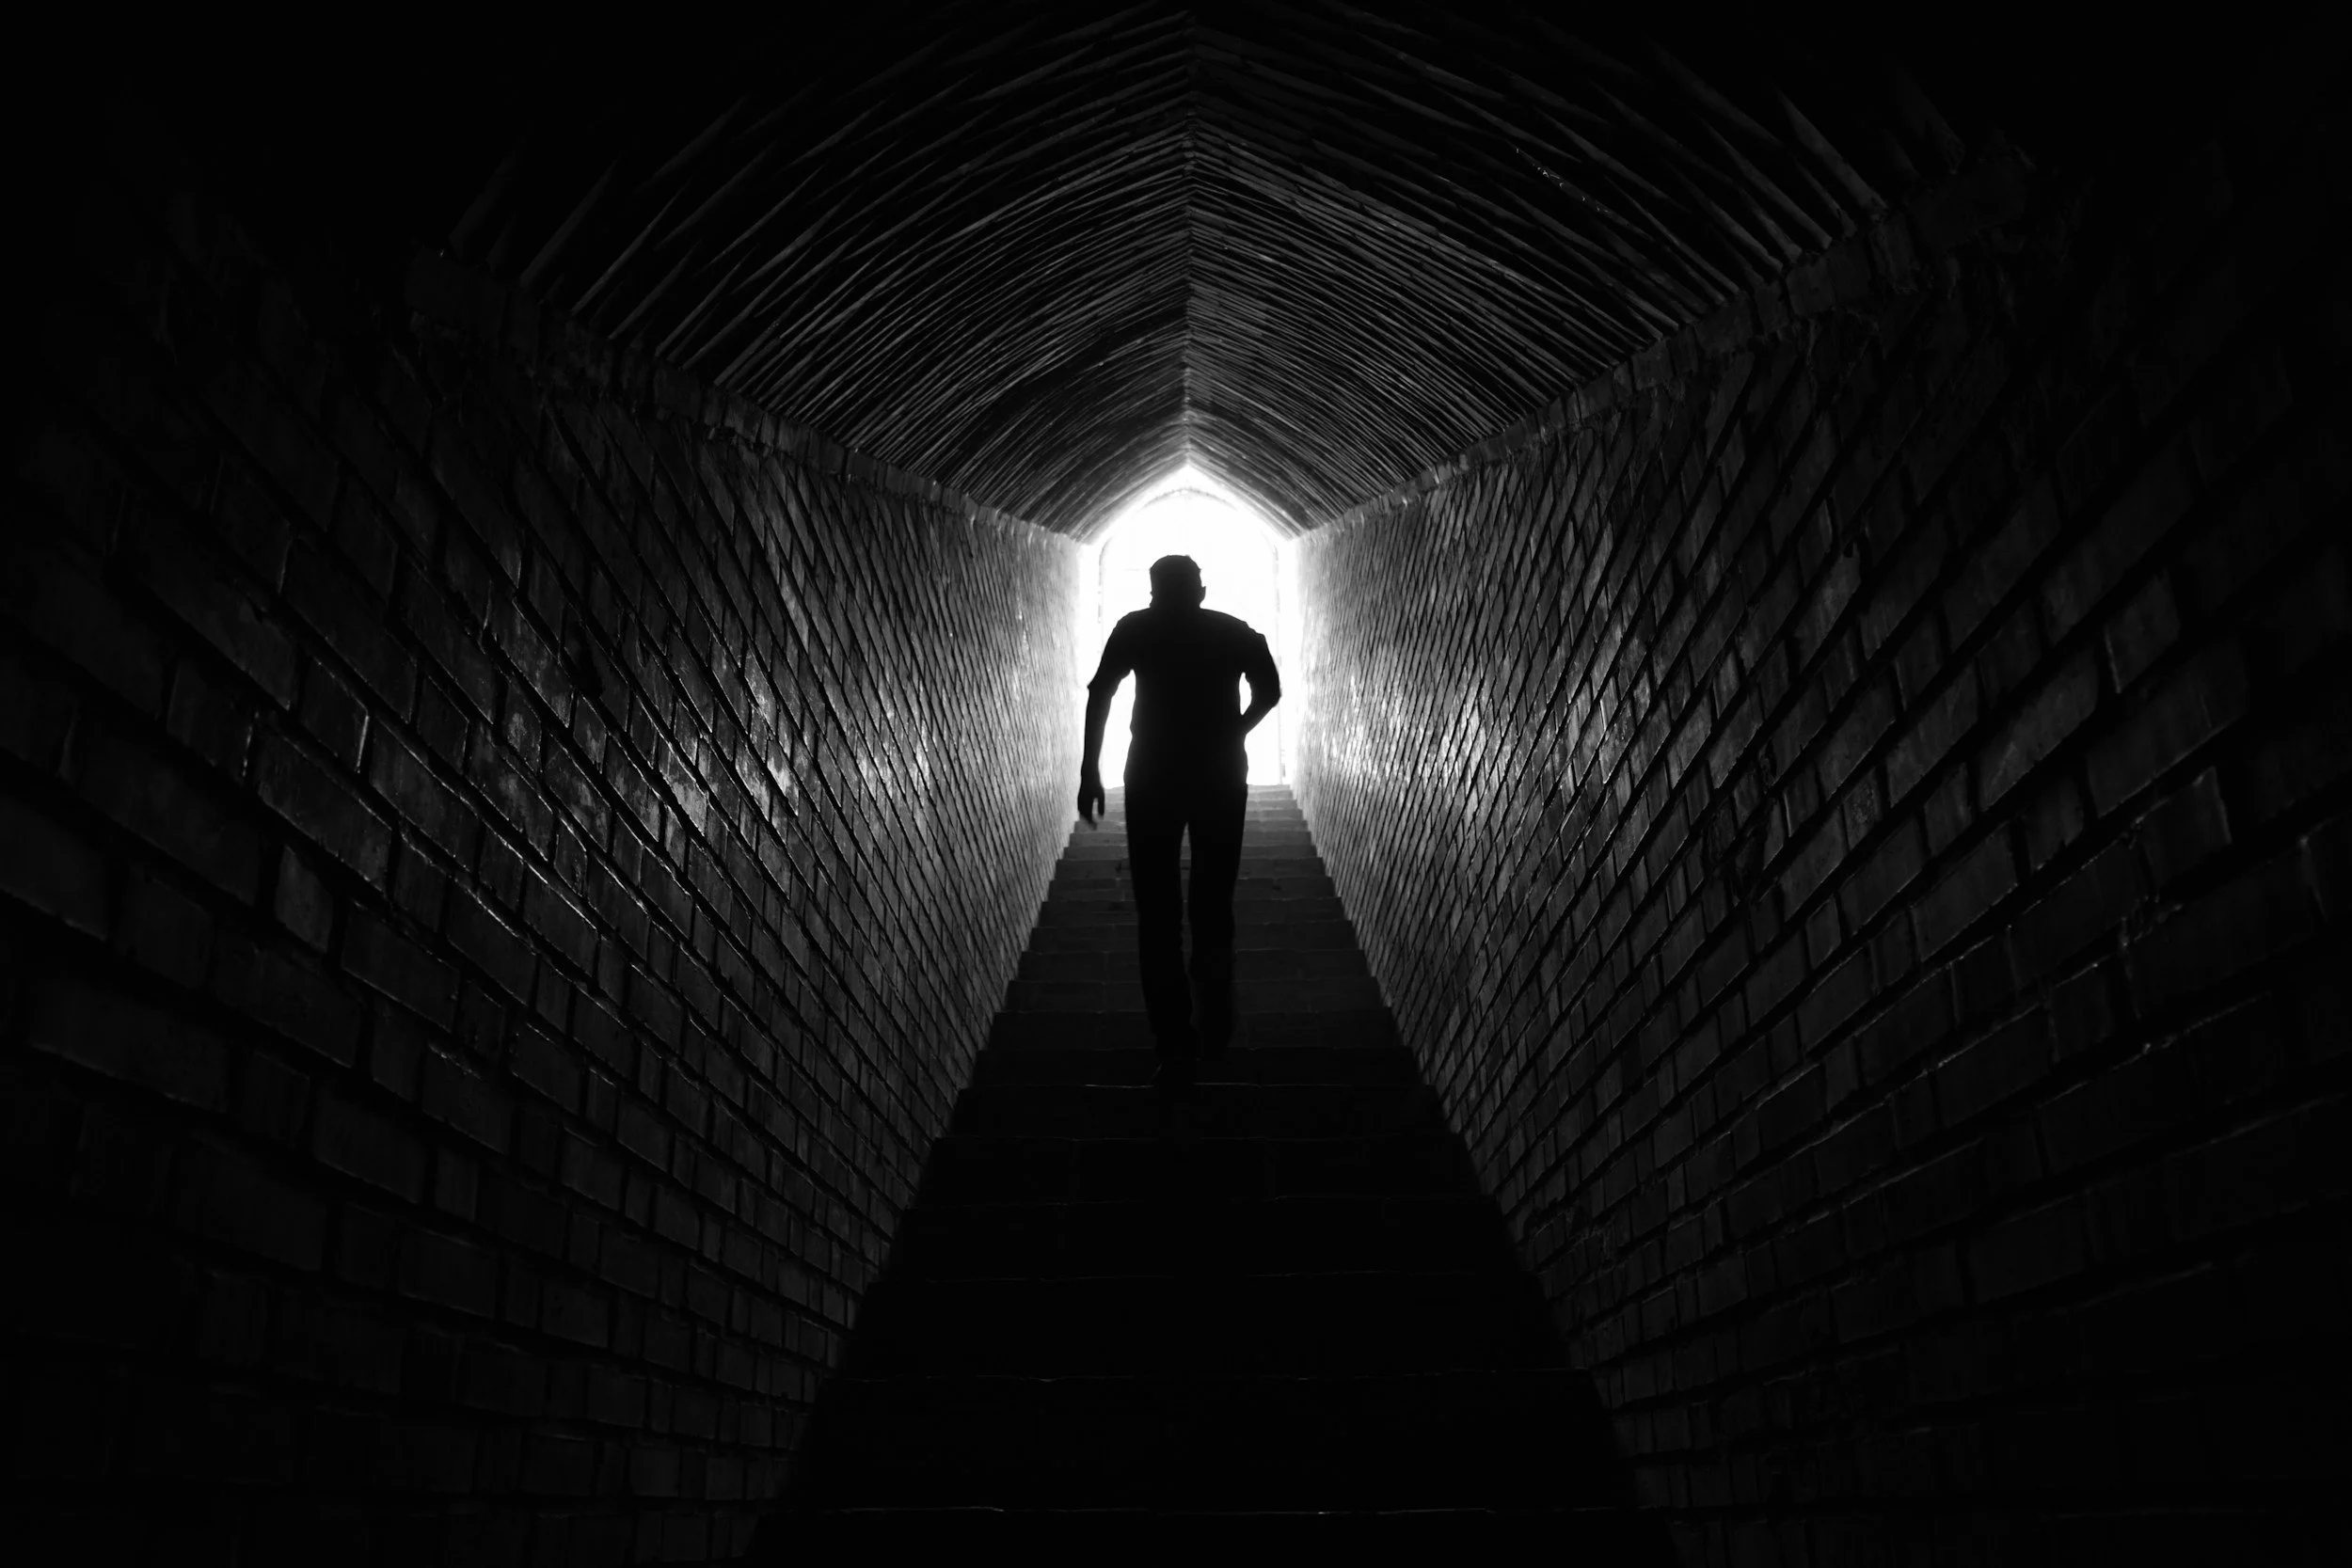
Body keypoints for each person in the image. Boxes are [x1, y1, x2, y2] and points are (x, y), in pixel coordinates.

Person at [1078, 555, 1281, 1088]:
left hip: (1152, 775)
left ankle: (1175, 1045)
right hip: (1219, 775)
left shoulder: (1136, 628)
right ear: (1201, 590)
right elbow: (1270, 690)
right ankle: (1215, 1026)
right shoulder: (1232, 632)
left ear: (1153, 592)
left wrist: (1089, 772)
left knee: (1158, 913)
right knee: (1212, 904)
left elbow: (1101, 692)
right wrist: (1236, 731)